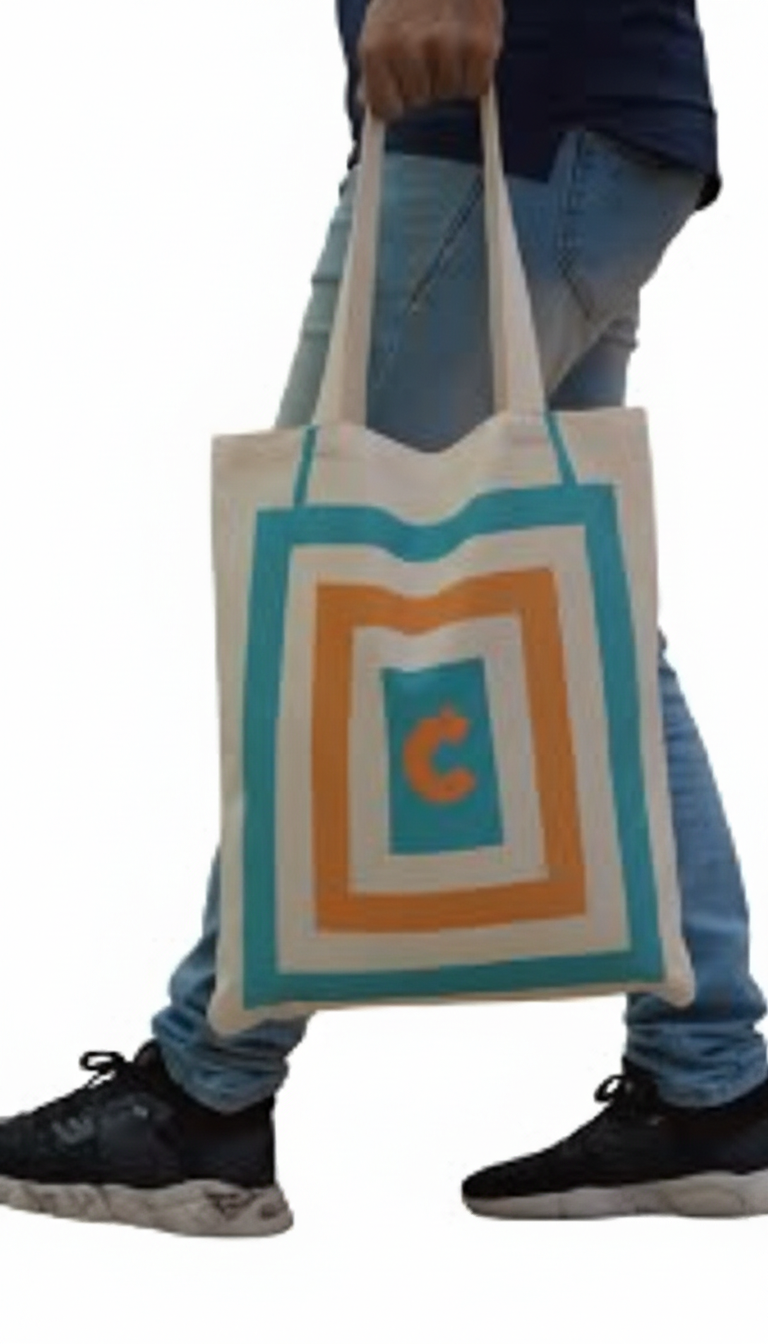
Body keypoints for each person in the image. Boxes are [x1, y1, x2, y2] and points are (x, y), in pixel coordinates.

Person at [1, 0, 766, 1237]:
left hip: (507, 116)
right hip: (595, 128)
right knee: (591, 622)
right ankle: (711, 1082)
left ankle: (206, 1091)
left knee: (324, 603)